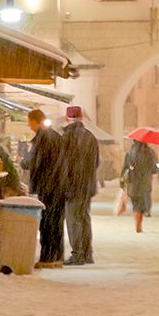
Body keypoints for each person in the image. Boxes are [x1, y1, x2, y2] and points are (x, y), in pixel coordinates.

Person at [23, 109, 65, 268]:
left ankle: (47, 258)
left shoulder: (43, 138)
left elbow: (36, 161)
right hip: (58, 185)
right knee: (56, 222)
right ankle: (57, 257)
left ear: (36, 121)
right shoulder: (55, 136)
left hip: (48, 186)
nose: (29, 126)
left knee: (47, 223)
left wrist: (24, 162)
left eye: (30, 123)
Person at [60, 106, 100, 266]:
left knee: (73, 219)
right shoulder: (91, 137)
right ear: (82, 117)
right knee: (84, 217)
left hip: (72, 186)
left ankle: (77, 254)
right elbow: (96, 163)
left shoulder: (65, 137)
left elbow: (63, 164)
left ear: (67, 118)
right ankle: (87, 253)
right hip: (87, 186)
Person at [122, 140, 158, 233]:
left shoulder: (130, 153)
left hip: (133, 183)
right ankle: (140, 224)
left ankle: (137, 224)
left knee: (136, 205)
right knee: (141, 204)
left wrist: (122, 182)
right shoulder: (151, 153)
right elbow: (155, 169)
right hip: (145, 183)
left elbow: (125, 168)